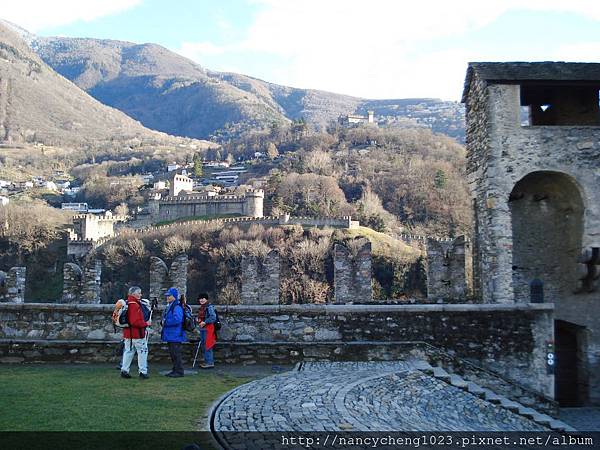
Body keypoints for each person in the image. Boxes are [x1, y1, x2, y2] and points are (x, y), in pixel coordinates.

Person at [120, 286, 150, 380]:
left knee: (128, 351)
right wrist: (146, 324)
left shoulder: (127, 303)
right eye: (139, 293)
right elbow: (135, 321)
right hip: (137, 333)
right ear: (134, 294)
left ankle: (124, 370)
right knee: (142, 352)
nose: (141, 295)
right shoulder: (135, 305)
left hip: (128, 333)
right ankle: (143, 371)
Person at [161, 287, 186, 377]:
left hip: (175, 334)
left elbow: (177, 319)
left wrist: (165, 322)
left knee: (176, 354)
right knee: (173, 354)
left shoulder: (176, 307)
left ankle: (179, 371)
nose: (167, 297)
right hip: (172, 334)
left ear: (174, 297)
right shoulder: (172, 306)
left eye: (169, 296)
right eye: (167, 296)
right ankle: (175, 370)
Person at [197, 292, 217, 369]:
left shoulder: (209, 307)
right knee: (204, 345)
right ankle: (207, 361)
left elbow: (213, 317)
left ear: (206, 299)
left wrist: (205, 322)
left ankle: (209, 362)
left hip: (208, 329)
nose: (201, 300)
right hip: (204, 328)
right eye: (200, 299)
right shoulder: (202, 307)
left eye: (203, 298)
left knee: (207, 345)